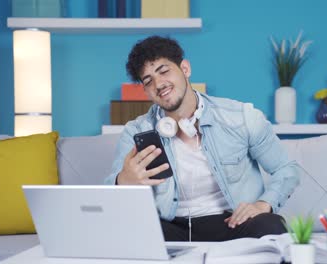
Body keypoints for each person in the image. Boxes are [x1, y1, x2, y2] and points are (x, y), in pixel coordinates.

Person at [105, 36, 299, 241]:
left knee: (272, 224)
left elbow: (286, 169)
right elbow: (111, 195)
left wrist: (263, 204)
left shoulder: (241, 117)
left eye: (164, 71)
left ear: (185, 69)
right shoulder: (135, 132)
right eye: (148, 81)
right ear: (146, 91)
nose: (159, 84)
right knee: (128, 232)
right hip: (171, 226)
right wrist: (123, 181)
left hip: (232, 222)